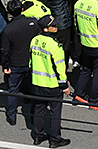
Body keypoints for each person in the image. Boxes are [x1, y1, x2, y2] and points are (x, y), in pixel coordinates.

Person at [30, 15, 70, 148]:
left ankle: (38, 135)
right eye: (54, 25)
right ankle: (55, 139)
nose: (57, 27)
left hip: (37, 82)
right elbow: (60, 67)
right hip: (53, 85)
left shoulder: (34, 40)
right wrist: (64, 85)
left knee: (39, 109)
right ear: (46, 29)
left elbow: (31, 62)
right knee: (55, 112)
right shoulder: (55, 45)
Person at [0, 0, 41, 126]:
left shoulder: (8, 30)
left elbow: (5, 51)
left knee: (13, 89)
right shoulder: (34, 23)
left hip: (15, 63)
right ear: (22, 9)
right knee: (33, 88)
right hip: (31, 62)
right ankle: (34, 114)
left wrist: (5, 66)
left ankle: (12, 115)